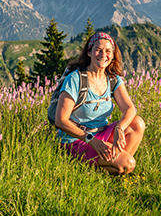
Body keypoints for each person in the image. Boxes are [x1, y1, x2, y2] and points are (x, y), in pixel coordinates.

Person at [54, 32, 145, 175]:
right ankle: (98, 167)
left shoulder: (112, 79)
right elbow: (61, 120)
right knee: (128, 164)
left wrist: (120, 128)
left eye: (108, 51)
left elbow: (130, 108)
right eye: (98, 50)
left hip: (101, 133)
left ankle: (113, 163)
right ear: (89, 52)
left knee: (137, 123)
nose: (103, 55)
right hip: (75, 139)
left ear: (113, 55)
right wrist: (91, 140)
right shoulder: (76, 79)